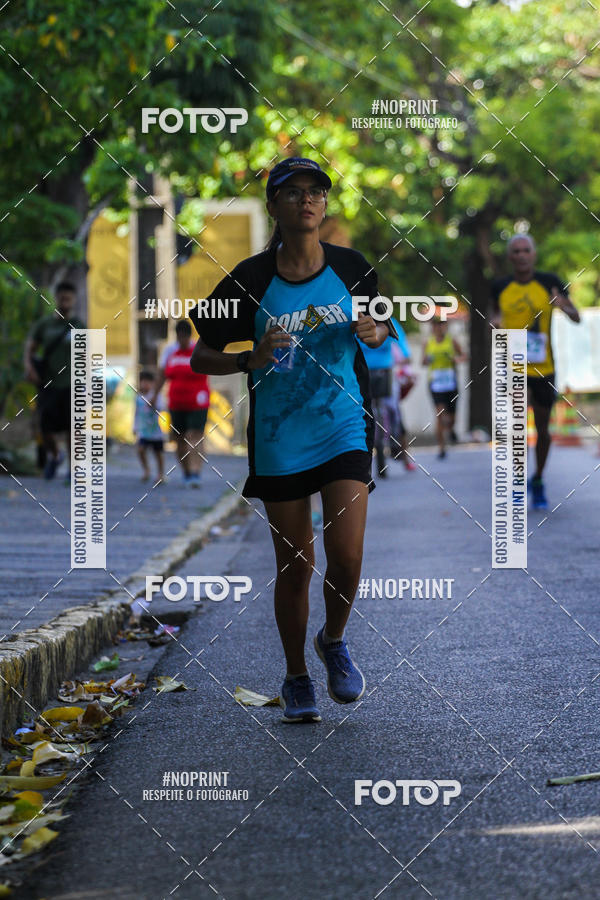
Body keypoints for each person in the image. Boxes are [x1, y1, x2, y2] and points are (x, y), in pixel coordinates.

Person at [189, 157, 397, 723]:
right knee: (297, 562)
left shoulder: (352, 267)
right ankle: (296, 675)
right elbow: (199, 353)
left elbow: (382, 327)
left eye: (316, 192)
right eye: (294, 192)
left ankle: (332, 639)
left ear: (325, 205)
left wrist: (376, 330)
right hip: (281, 437)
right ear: (275, 206)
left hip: (343, 425)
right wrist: (248, 357)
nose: (307, 200)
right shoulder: (250, 281)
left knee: (348, 555)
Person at [491, 234, 580, 509]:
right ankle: (518, 481)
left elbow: (577, 317)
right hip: (513, 366)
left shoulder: (549, 281)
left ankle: (538, 478)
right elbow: (492, 318)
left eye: (525, 250)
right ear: (510, 257)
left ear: (534, 254)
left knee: (542, 427)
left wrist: (563, 305)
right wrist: (494, 324)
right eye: (516, 251)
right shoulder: (500, 287)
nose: (521, 255)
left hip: (545, 367)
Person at [24, 281, 85, 480]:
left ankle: (73, 469)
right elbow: (30, 349)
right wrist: (29, 368)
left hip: (72, 385)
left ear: (74, 300)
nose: (65, 301)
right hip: (48, 384)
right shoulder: (45, 325)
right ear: (56, 298)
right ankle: (55, 456)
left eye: (69, 298)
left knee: (72, 428)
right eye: (62, 297)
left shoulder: (79, 325)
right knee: (45, 428)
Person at [153, 319, 210, 486]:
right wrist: (154, 395)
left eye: (185, 337)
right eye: (179, 337)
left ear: (189, 336)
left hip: (197, 402)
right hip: (176, 403)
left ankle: (195, 473)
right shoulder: (170, 351)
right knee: (179, 439)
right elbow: (162, 374)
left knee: (194, 436)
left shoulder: (199, 350)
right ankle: (186, 472)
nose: (182, 340)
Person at [358, 316, 416, 476]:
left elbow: (402, 345)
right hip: (364, 374)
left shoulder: (389, 323)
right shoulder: (358, 320)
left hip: (386, 374)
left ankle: (402, 454)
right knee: (364, 417)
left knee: (394, 411)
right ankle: (366, 463)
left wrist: (405, 357)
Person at [422, 319, 464, 459]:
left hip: (450, 383)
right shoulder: (428, 342)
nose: (438, 328)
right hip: (435, 384)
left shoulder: (452, 341)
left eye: (441, 325)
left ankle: (451, 429)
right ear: (432, 327)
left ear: (445, 326)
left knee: (451, 418)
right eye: (435, 325)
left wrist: (456, 360)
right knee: (440, 414)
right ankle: (441, 448)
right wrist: (427, 360)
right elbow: (422, 362)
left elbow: (464, 356)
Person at [134, 371, 165, 484]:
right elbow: (136, 413)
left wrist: (154, 404)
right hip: (143, 431)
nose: (145, 384)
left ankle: (160, 474)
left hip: (156, 432)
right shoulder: (138, 398)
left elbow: (161, 409)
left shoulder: (156, 396)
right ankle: (146, 470)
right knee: (141, 450)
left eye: (148, 382)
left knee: (158, 453)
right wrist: (135, 427)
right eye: (143, 381)